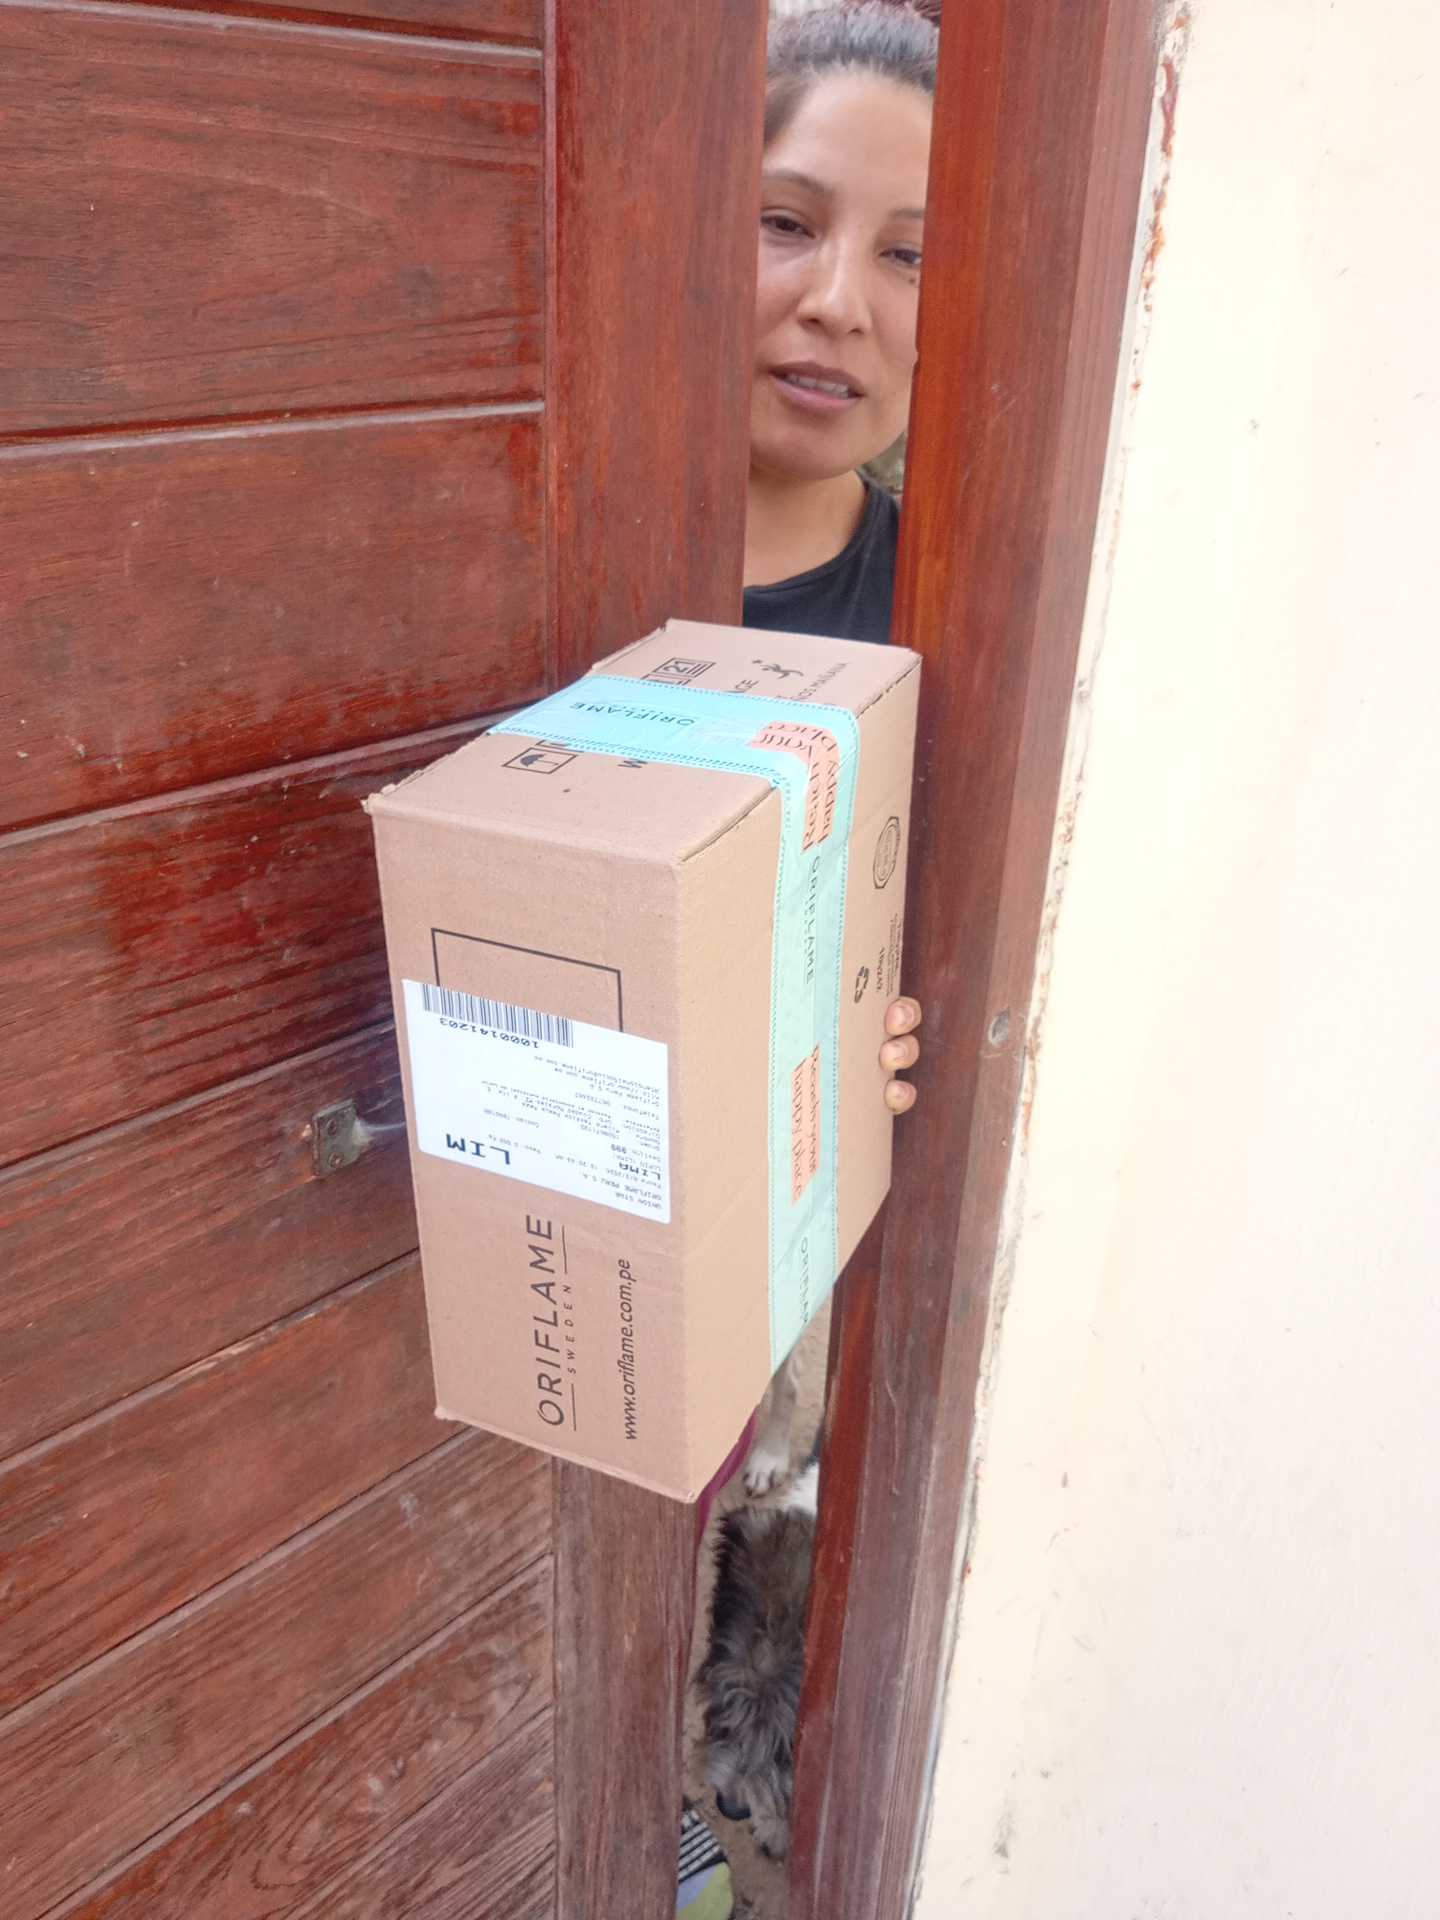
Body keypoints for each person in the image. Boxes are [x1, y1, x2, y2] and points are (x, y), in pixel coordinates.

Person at [679, 8, 938, 1916]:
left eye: (910, 254)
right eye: (789, 221)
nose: (839, 300)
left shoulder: (956, 599)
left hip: (826, 1317)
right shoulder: (567, 536)